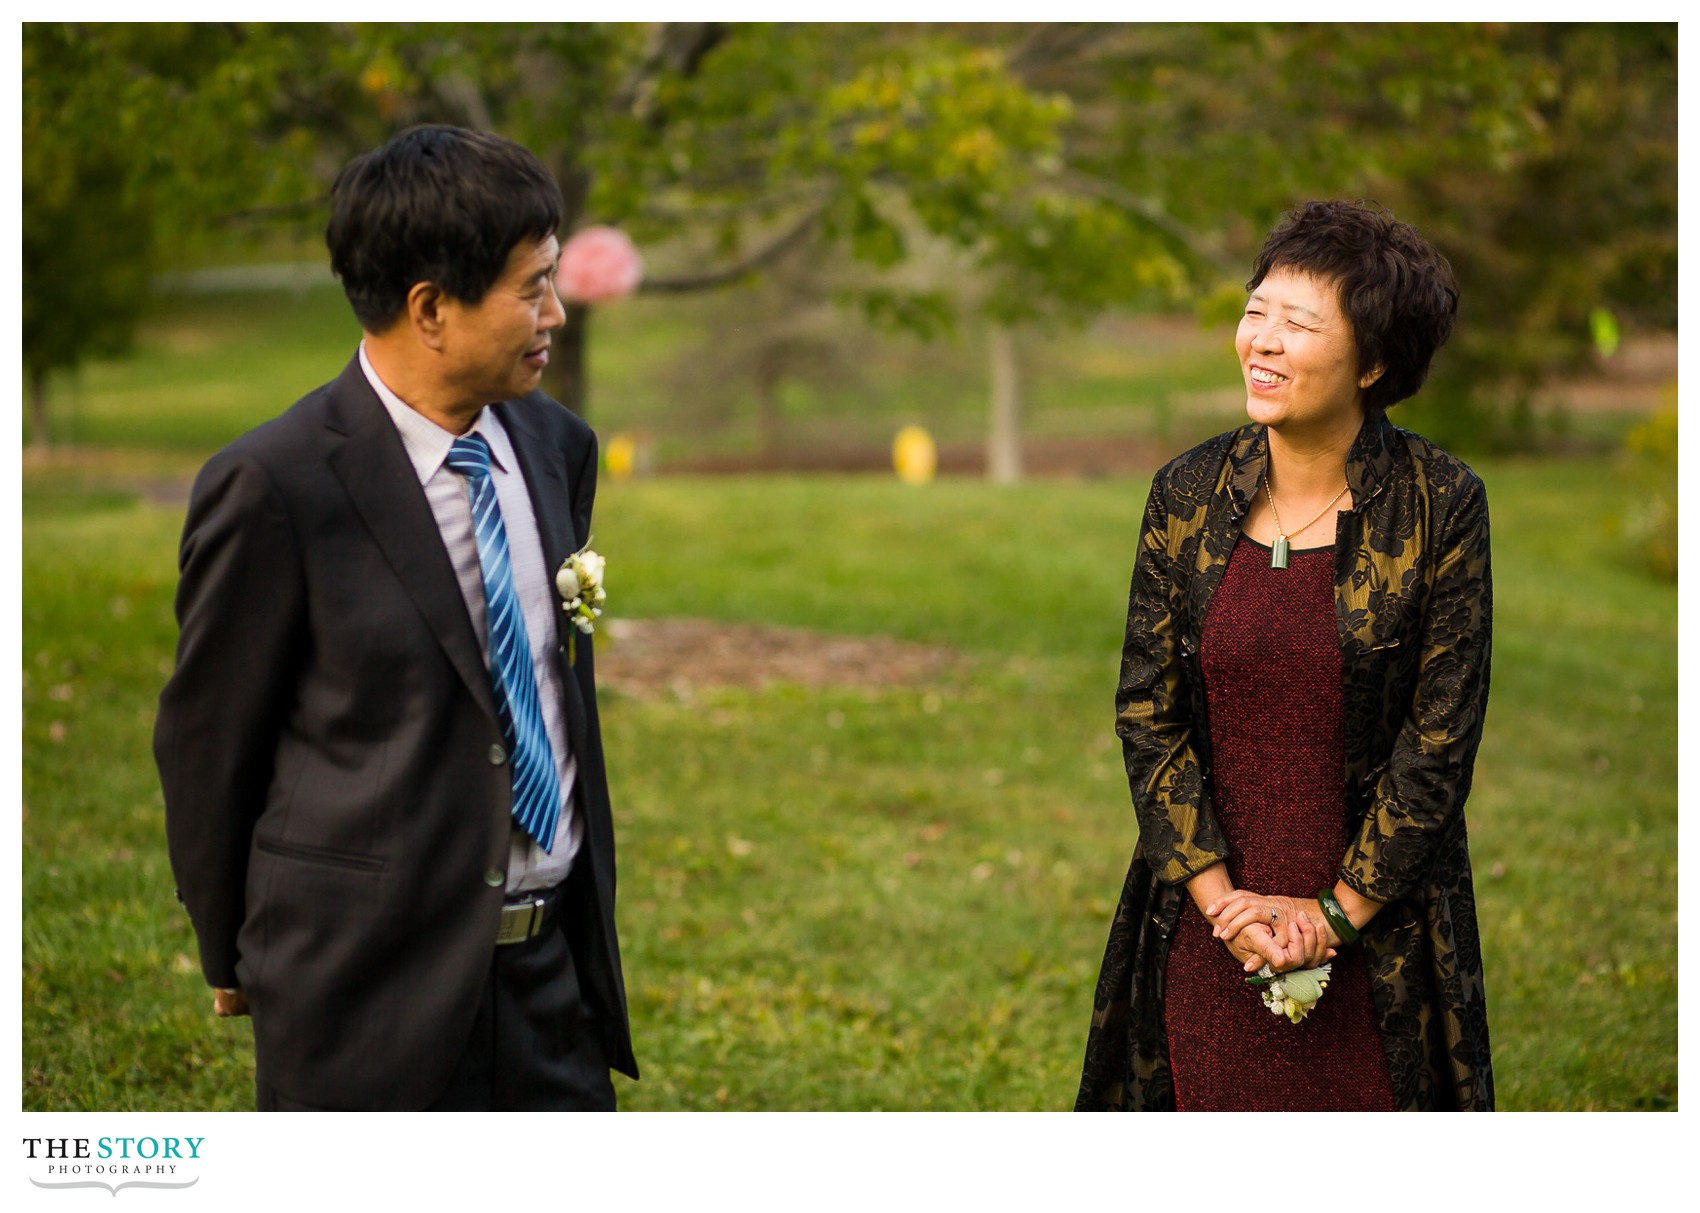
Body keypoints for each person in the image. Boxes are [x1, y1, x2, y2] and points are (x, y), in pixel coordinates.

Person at [155, 125, 637, 1110]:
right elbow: (210, 740)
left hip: (552, 983)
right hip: (365, 990)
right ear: (429, 309)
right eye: (530, 287)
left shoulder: (556, 445)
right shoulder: (274, 485)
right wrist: (233, 949)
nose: (556, 312)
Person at [1075, 200, 1492, 1111]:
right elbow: (1149, 712)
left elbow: (1438, 745)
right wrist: (1225, 905)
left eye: (1298, 323)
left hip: (1379, 940)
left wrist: (1336, 913)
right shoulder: (1185, 492)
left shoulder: (1440, 505)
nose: (1260, 340)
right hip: (1205, 924)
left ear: (1373, 362)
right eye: (1256, 310)